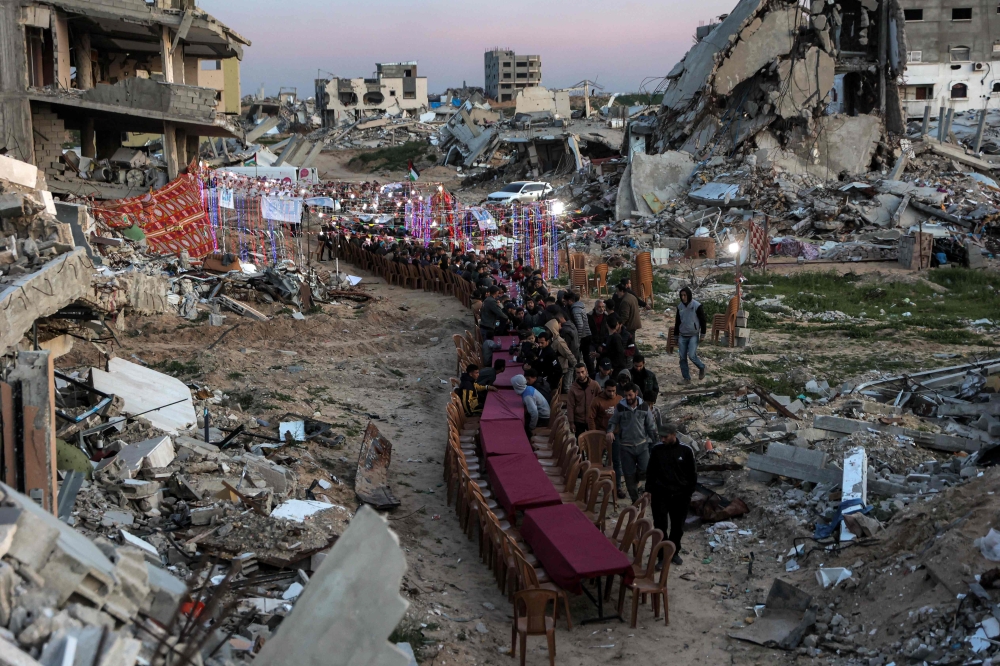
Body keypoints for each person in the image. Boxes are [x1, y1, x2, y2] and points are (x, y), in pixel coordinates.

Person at [645, 423, 697, 567]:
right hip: (660, 495)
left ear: (674, 435)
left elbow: (692, 475)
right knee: (660, 526)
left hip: (680, 496)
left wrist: (688, 494)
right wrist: (648, 490)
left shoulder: (686, 451)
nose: (662, 439)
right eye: (660, 436)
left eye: (665, 437)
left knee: (677, 527)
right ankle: (662, 556)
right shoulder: (656, 450)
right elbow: (651, 472)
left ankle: (674, 553)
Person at [605, 384, 658, 502]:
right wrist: (610, 431)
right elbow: (613, 421)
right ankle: (635, 500)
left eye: (630, 395)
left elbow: (650, 425)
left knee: (645, 470)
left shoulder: (644, 407)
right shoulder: (620, 407)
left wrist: (655, 441)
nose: (628, 398)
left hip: (642, 445)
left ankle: (638, 482)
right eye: (626, 395)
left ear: (636, 393)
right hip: (626, 447)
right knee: (629, 476)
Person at [674, 287, 708, 383]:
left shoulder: (697, 306)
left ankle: (702, 367)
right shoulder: (680, 307)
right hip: (682, 335)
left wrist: (703, 334)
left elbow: (703, 320)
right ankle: (686, 378)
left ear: (689, 295)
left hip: (693, 334)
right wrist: (675, 336)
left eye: (685, 295)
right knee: (682, 358)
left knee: (692, 355)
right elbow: (677, 322)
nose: (683, 297)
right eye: (681, 295)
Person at [512, 374, 550, 438]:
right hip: (543, 414)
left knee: (524, 427)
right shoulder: (528, 388)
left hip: (542, 418)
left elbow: (534, 413)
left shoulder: (528, 396)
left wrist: (531, 427)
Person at [566, 363, 600, 435]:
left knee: (592, 442)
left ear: (586, 371)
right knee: (580, 443)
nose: (581, 375)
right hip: (578, 420)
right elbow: (570, 406)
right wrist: (571, 422)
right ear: (576, 374)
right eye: (578, 373)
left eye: (582, 372)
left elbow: (600, 399)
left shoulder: (595, 385)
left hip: (592, 419)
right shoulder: (573, 389)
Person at [543, 320, 576, 391]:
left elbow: (569, 354)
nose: (546, 332)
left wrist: (576, 367)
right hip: (554, 370)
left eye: (548, 330)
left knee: (564, 389)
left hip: (561, 370)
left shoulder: (559, 342)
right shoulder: (552, 340)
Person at [569, 292, 594, 376]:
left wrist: (578, 339)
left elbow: (580, 325)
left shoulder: (575, 309)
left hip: (583, 336)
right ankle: (590, 373)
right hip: (586, 334)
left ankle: (585, 374)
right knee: (586, 358)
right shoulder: (581, 307)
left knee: (583, 357)